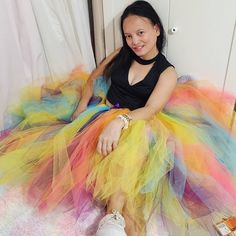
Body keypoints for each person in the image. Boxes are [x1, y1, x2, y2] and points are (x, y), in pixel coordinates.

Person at [0, 1, 236, 236]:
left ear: (156, 29)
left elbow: (151, 109)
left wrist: (120, 121)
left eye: (140, 33)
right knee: (69, 155)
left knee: (134, 146)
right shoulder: (122, 54)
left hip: (137, 119)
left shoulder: (167, 72)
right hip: (103, 110)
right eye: (129, 36)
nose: (135, 41)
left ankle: (112, 219)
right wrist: (82, 106)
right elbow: (93, 78)